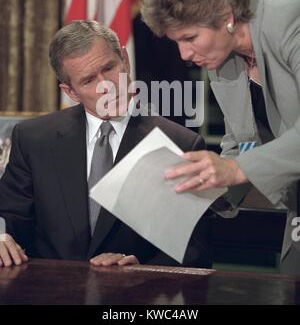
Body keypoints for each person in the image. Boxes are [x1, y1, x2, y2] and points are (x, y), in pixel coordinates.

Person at [0, 20, 212, 268]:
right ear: (71, 92)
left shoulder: (180, 144)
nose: (106, 86)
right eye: (89, 80)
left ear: (125, 60)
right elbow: (11, 216)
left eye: (109, 68)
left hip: (133, 297)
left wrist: (142, 265)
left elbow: (195, 249)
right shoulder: (33, 139)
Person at [141, 0, 300, 274]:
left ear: (226, 17)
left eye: (190, 38)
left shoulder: (290, 15)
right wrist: (200, 191)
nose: (184, 54)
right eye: (177, 41)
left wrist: (235, 168)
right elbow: (243, 146)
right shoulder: (224, 59)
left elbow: (240, 163)